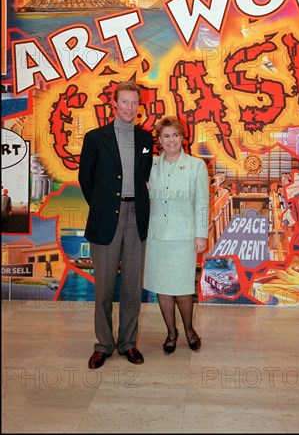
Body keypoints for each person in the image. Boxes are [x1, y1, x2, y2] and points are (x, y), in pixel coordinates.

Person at [78, 81, 153, 369]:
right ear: (115, 104)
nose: (129, 107)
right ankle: (103, 345)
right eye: (124, 102)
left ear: (138, 106)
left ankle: (128, 343)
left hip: (138, 217)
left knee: (133, 287)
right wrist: (103, 207)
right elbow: (87, 178)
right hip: (106, 217)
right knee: (104, 289)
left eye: (134, 103)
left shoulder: (146, 139)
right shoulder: (95, 138)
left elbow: (146, 177)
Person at [143, 116, 209, 354]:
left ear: (183, 137)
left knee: (182, 288)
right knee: (163, 287)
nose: (171, 140)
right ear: (159, 140)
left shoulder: (196, 165)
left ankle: (190, 330)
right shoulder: (149, 165)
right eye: (166, 136)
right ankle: (171, 333)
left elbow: (202, 202)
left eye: (175, 135)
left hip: (184, 237)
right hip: (157, 236)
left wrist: (201, 234)